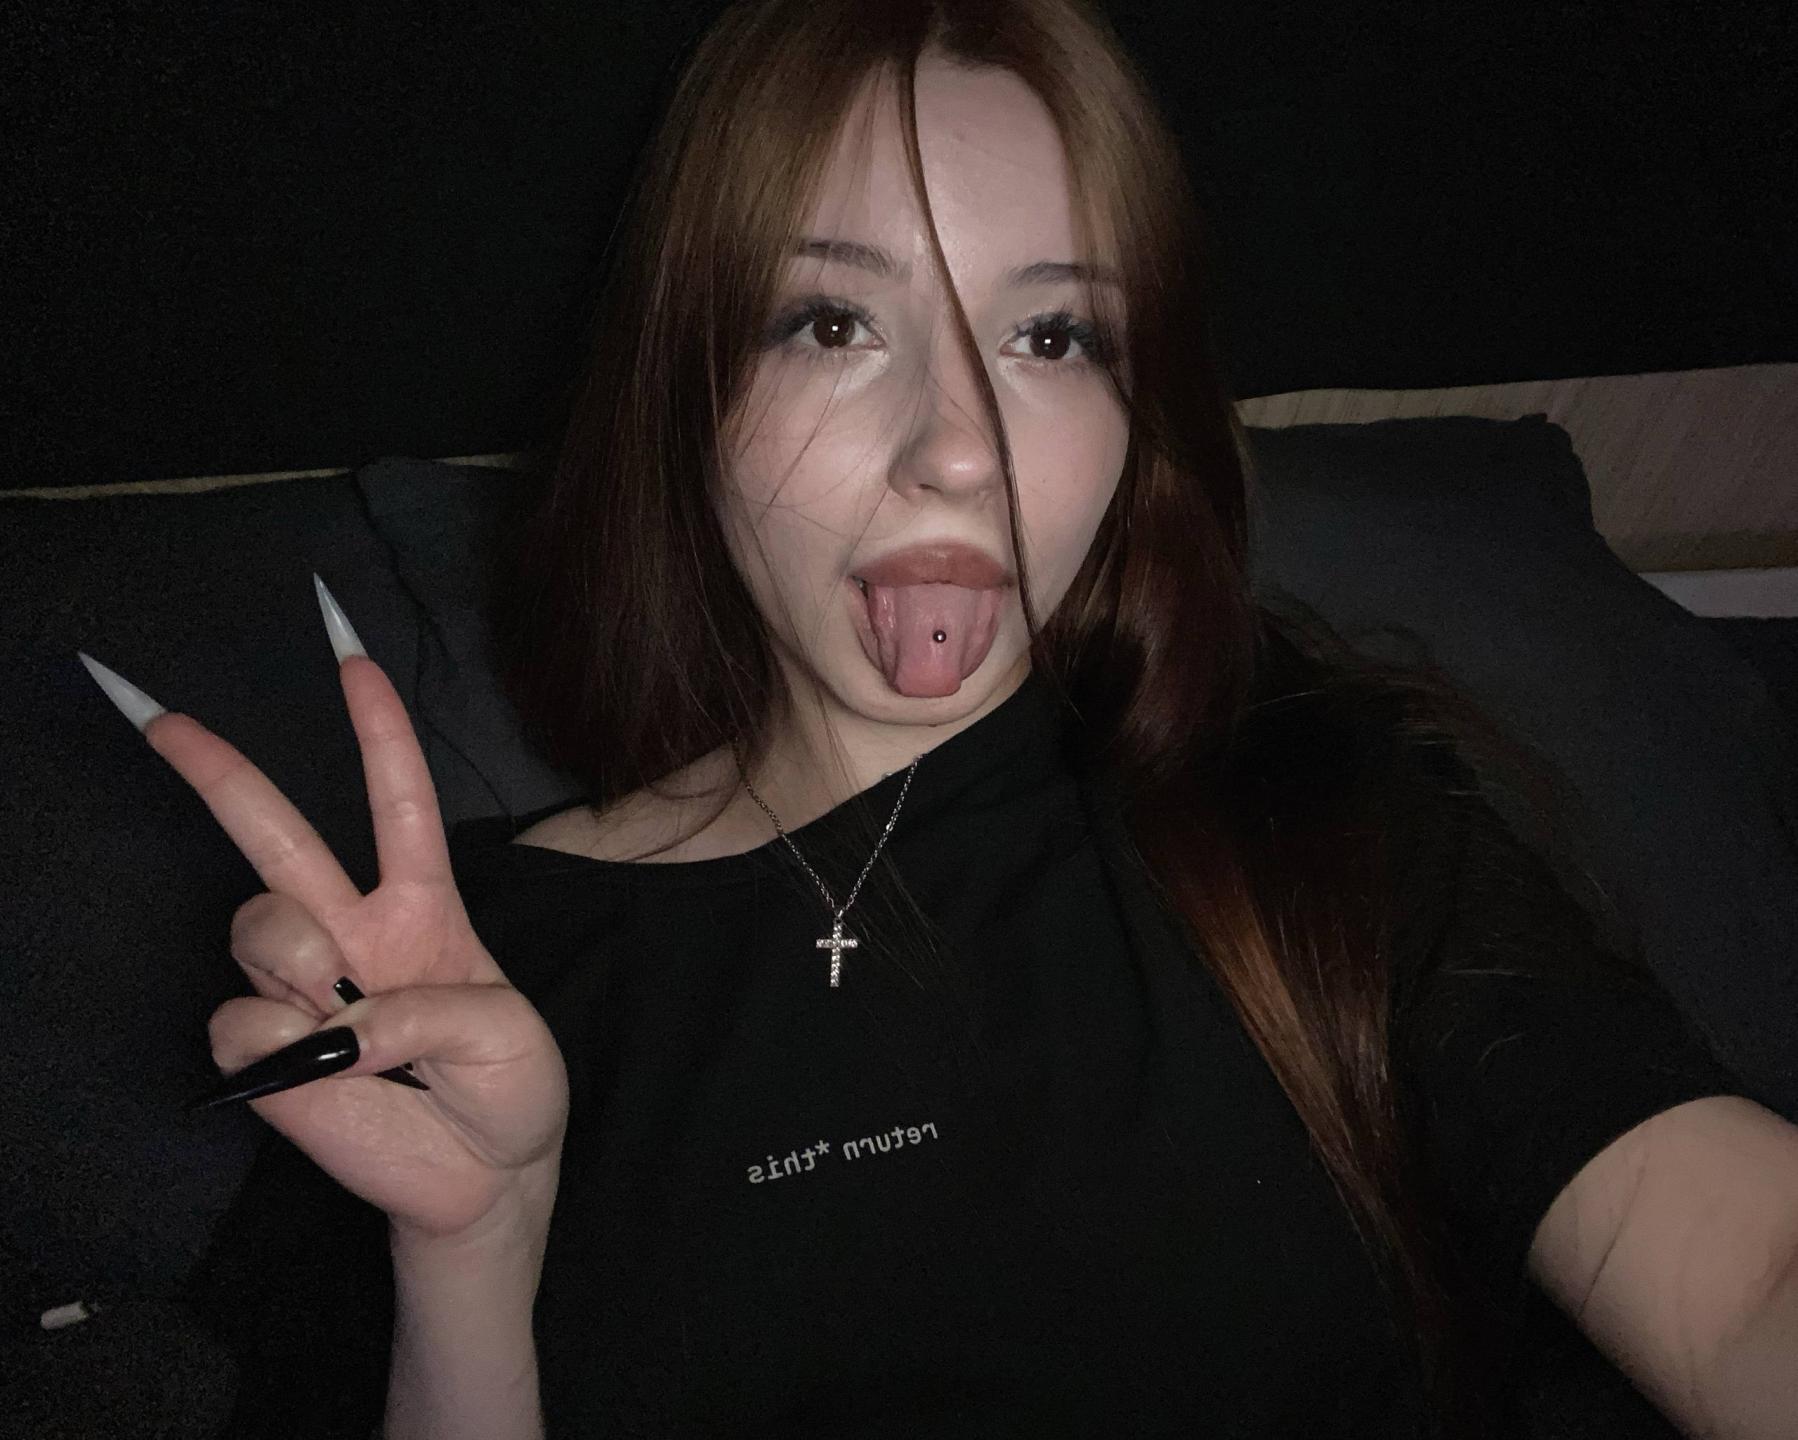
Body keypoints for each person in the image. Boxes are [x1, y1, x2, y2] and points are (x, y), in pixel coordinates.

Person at [96, 0, 1797, 1435]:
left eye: (1052, 335)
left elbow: (1744, 1282)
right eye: (832, 322)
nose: (961, 448)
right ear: (686, 395)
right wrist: (472, 1261)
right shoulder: (438, 962)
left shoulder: (1309, 805)